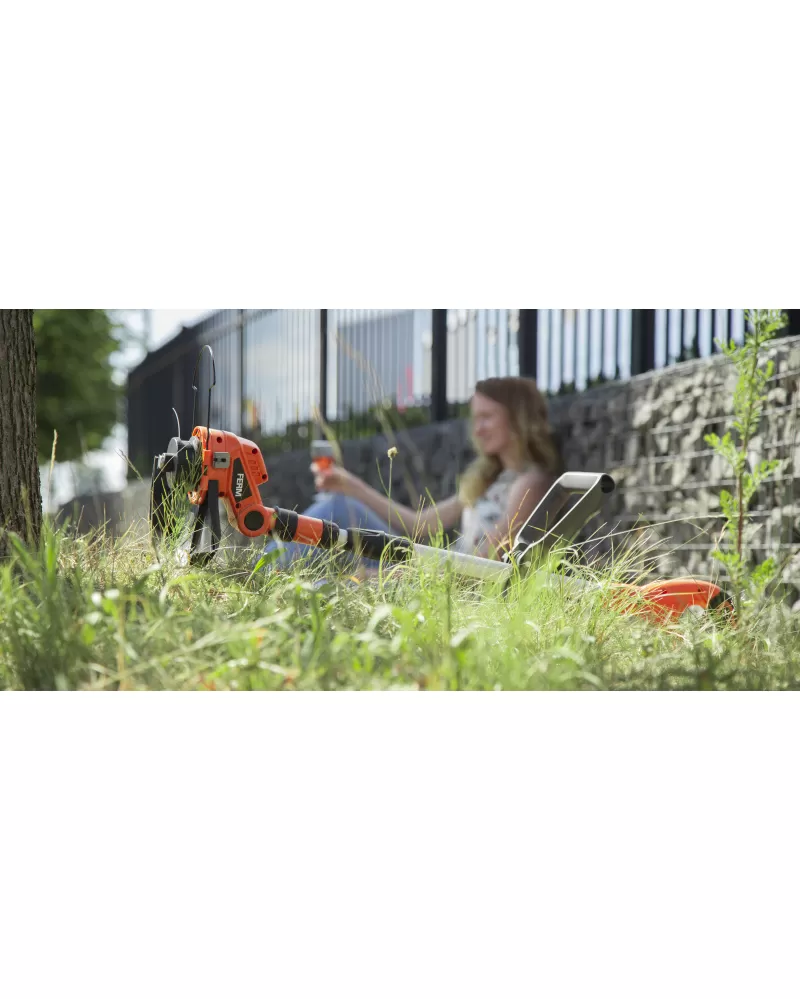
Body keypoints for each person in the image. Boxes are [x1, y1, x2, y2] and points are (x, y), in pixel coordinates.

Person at [259, 376, 562, 570]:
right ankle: (260, 571)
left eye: (487, 417)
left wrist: (396, 575)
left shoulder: (531, 482)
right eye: (475, 418)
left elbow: (486, 565)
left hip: (450, 582)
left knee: (326, 579)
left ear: (517, 418)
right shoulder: (489, 479)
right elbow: (421, 525)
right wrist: (351, 486)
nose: (478, 428)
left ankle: (257, 573)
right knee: (339, 506)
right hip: (439, 570)